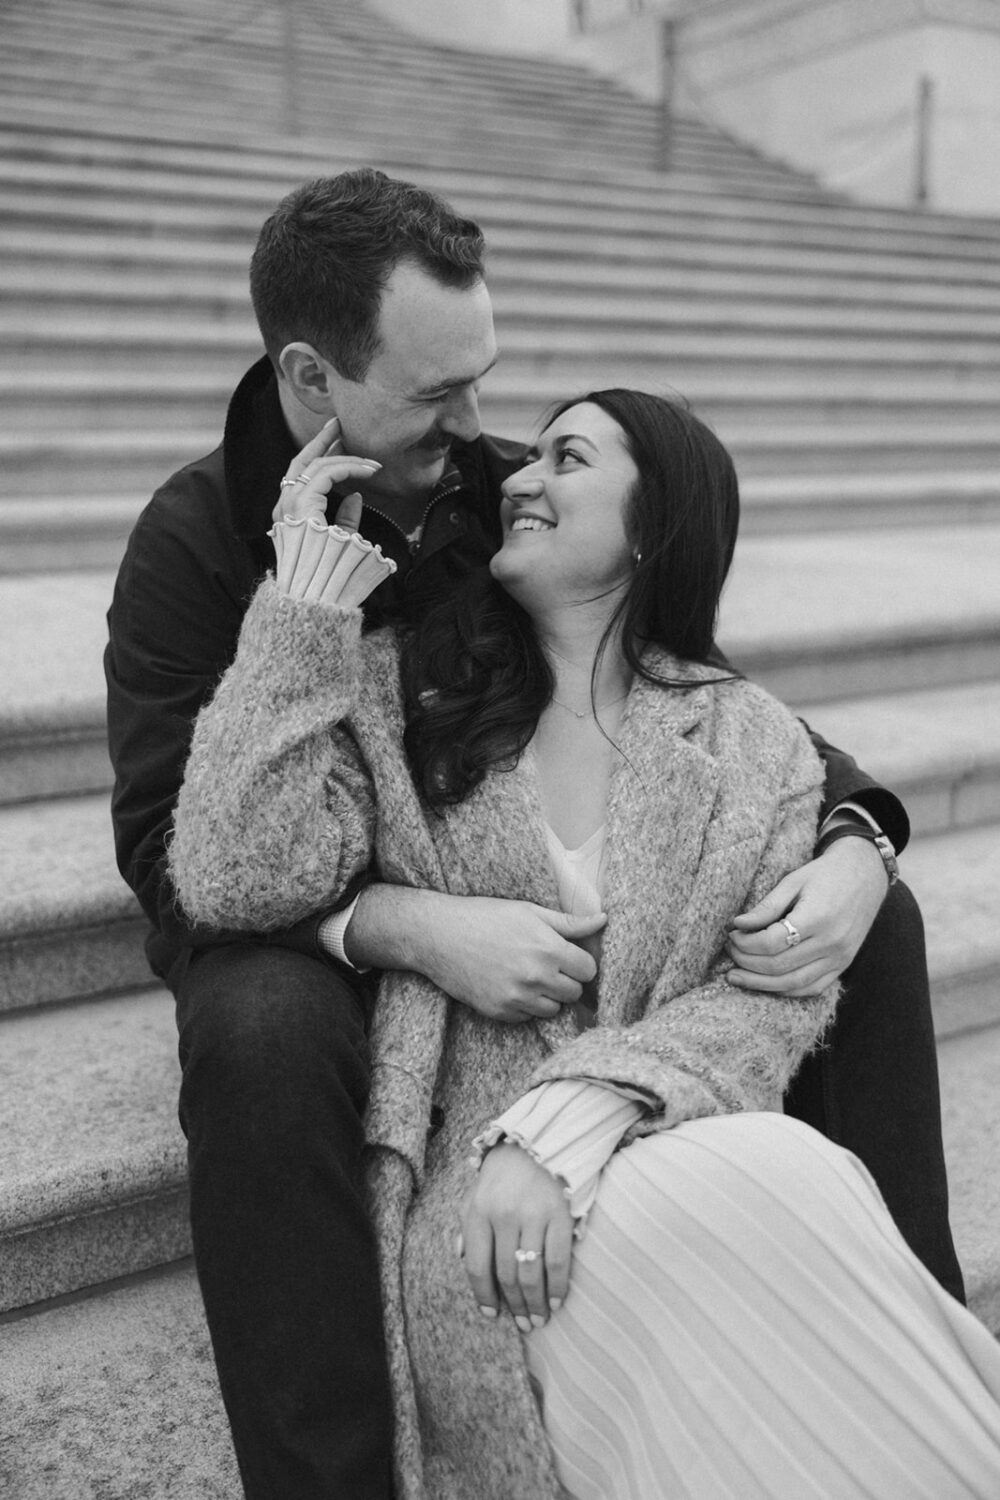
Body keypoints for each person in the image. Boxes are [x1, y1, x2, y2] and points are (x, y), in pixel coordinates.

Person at [105, 169, 961, 1498]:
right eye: (438, 392)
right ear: (314, 375)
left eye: (483, 379)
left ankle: (907, 1312)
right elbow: (182, 864)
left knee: (874, 921)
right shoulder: (191, 542)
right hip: (309, 912)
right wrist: (407, 924)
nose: (479, 424)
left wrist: (862, 839)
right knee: (261, 1032)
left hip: (518, 901)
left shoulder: (501, 499)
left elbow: (719, 718)